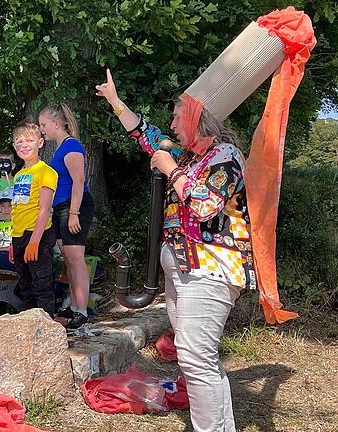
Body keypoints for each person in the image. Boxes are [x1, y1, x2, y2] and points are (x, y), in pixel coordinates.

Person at [96, 68, 253, 432]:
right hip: (185, 271)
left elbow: (205, 205)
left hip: (210, 272)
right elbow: (145, 135)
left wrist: (170, 170)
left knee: (197, 357)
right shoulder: (189, 156)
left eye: (177, 116)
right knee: (198, 357)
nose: (171, 122)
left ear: (198, 118)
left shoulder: (224, 157)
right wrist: (117, 103)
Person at [39, 103, 96, 329]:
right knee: (68, 259)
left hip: (75, 207)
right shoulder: (60, 147)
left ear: (56, 124)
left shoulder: (71, 146)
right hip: (62, 207)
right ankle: (73, 305)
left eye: (43, 124)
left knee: (76, 259)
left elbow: (79, 180)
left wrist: (74, 214)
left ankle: (82, 310)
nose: (41, 129)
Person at [10, 120, 58, 316]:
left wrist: (34, 241)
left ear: (40, 143)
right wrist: (13, 242)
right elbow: (18, 208)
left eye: (29, 140)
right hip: (19, 236)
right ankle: (27, 326)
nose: (24, 145)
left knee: (41, 284)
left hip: (38, 235)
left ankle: (46, 328)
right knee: (25, 285)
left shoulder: (46, 172)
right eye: (18, 141)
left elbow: (44, 209)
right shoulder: (19, 174)